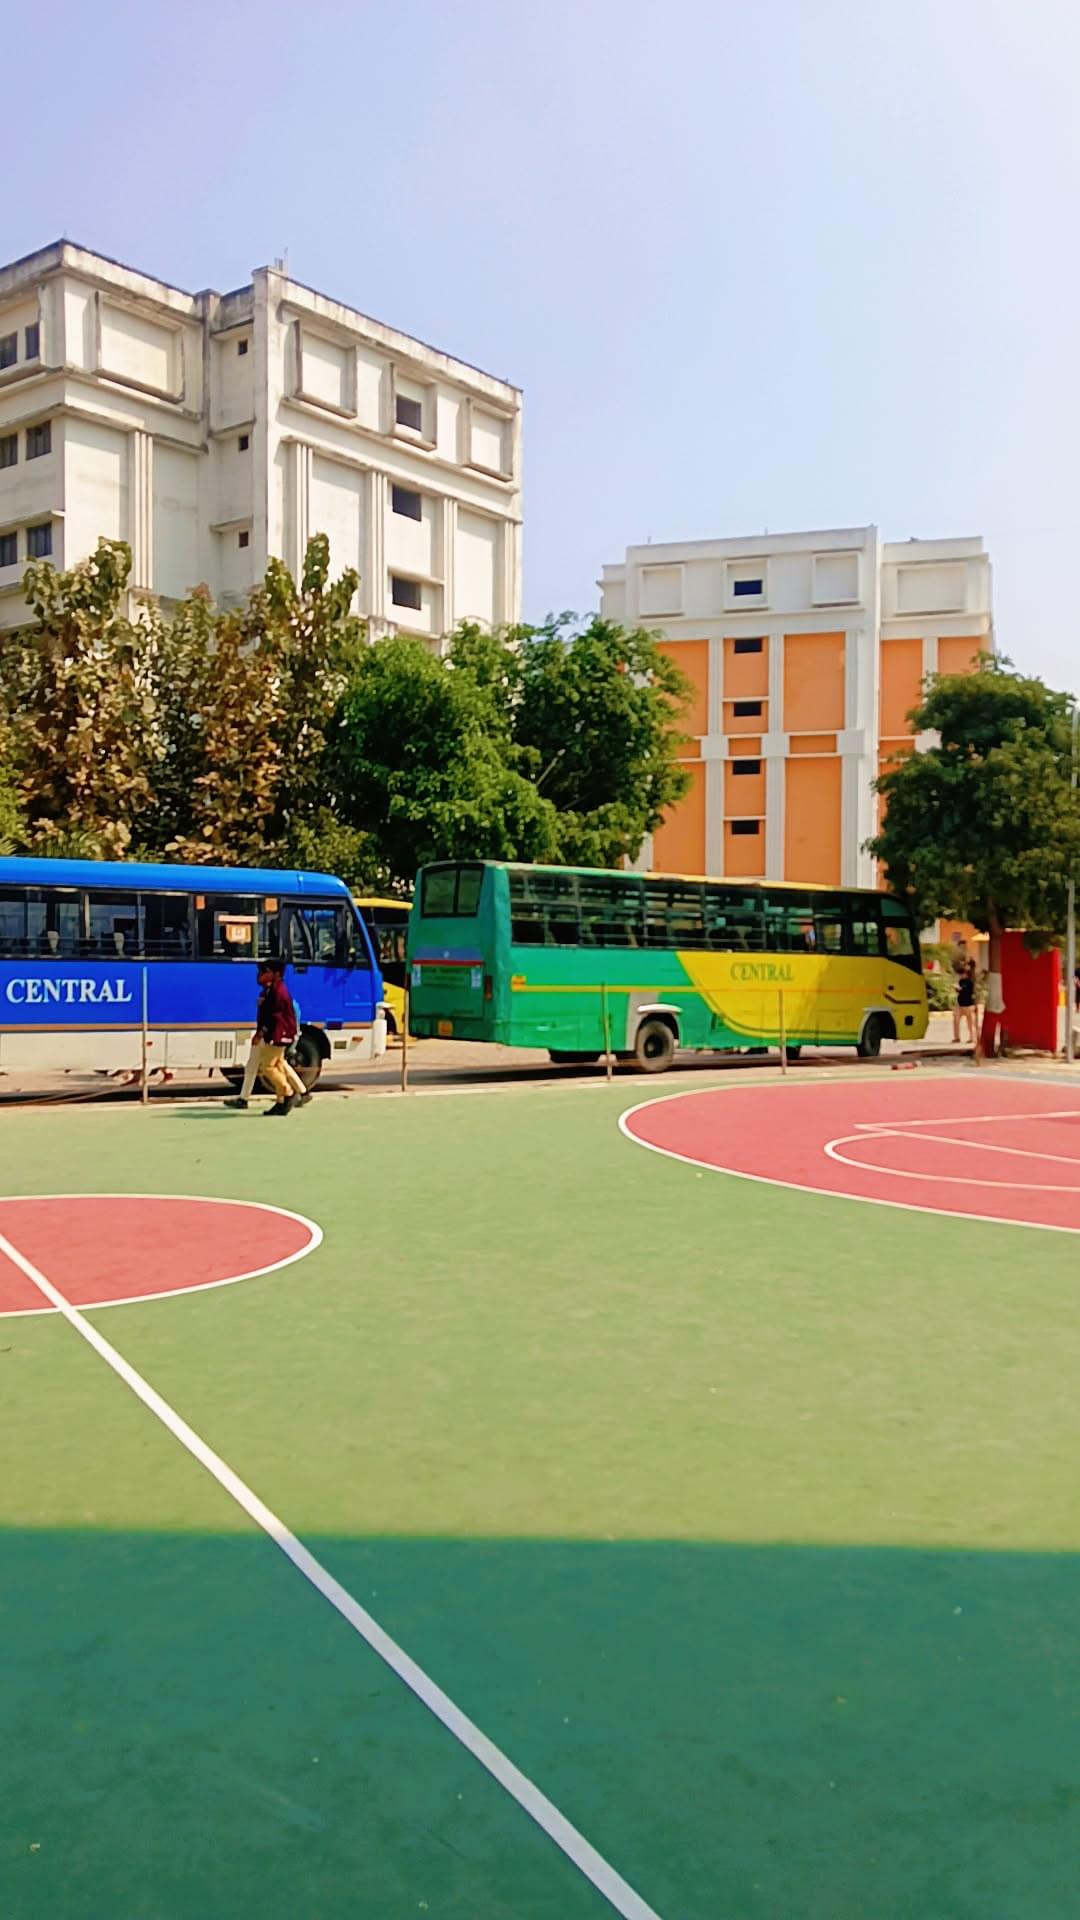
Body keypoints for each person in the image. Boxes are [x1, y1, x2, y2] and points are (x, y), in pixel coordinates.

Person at [224, 959, 307, 1115]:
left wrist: (260, 1033)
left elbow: (272, 1018)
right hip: (277, 1034)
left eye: (265, 972)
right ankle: (282, 1101)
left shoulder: (277, 992)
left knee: (268, 1067)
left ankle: (287, 1092)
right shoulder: (271, 990)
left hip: (277, 1035)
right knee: (279, 1065)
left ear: (276, 974)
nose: (260, 975)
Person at [953, 956, 977, 1046]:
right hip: (960, 1004)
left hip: (968, 1004)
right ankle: (957, 1037)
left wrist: (960, 989)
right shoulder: (961, 981)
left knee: (970, 1022)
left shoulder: (970, 982)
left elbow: (968, 991)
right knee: (956, 1021)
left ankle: (972, 1037)